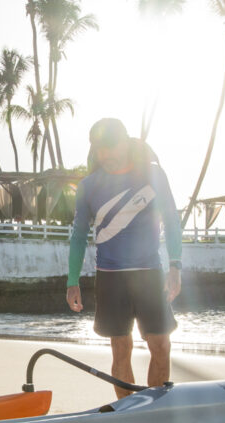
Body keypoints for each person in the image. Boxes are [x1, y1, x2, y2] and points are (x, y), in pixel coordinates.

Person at [66, 118, 183, 398]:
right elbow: (79, 235)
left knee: (161, 344)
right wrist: (72, 280)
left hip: (149, 272)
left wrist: (175, 266)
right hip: (111, 277)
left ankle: (154, 407)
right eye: (99, 149)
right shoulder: (89, 186)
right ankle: (127, 409)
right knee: (120, 348)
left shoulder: (153, 175)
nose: (105, 154)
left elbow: (171, 219)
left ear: (126, 143)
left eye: (111, 147)